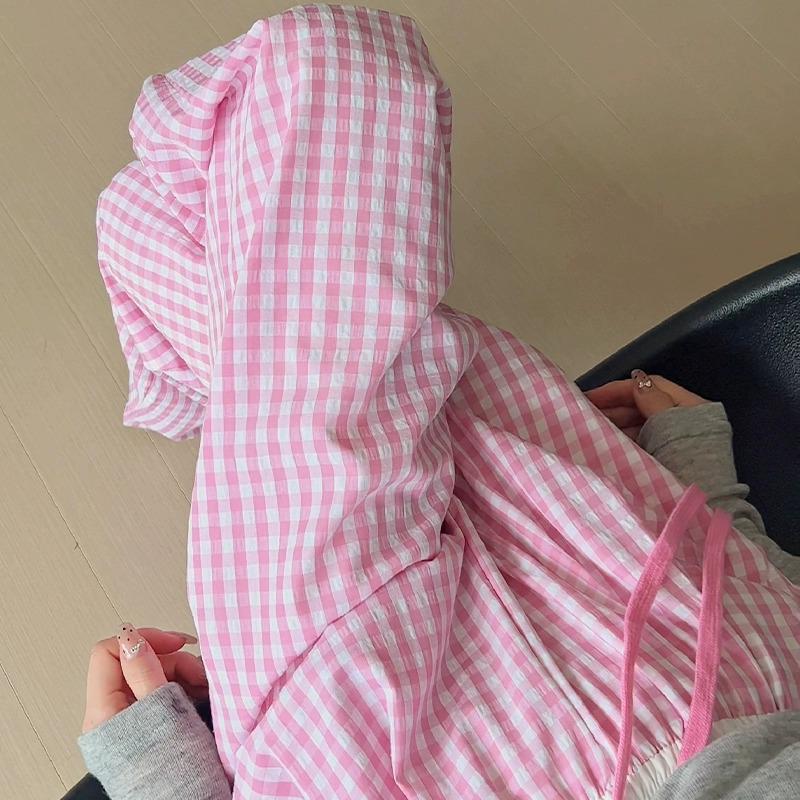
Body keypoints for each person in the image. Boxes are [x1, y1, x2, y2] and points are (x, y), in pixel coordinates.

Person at [78, 5, 800, 799]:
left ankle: (189, 376)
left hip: (362, 731)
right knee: (286, 113)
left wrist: (158, 776)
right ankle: (188, 379)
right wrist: (715, 501)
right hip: (694, 632)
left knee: (200, 180)